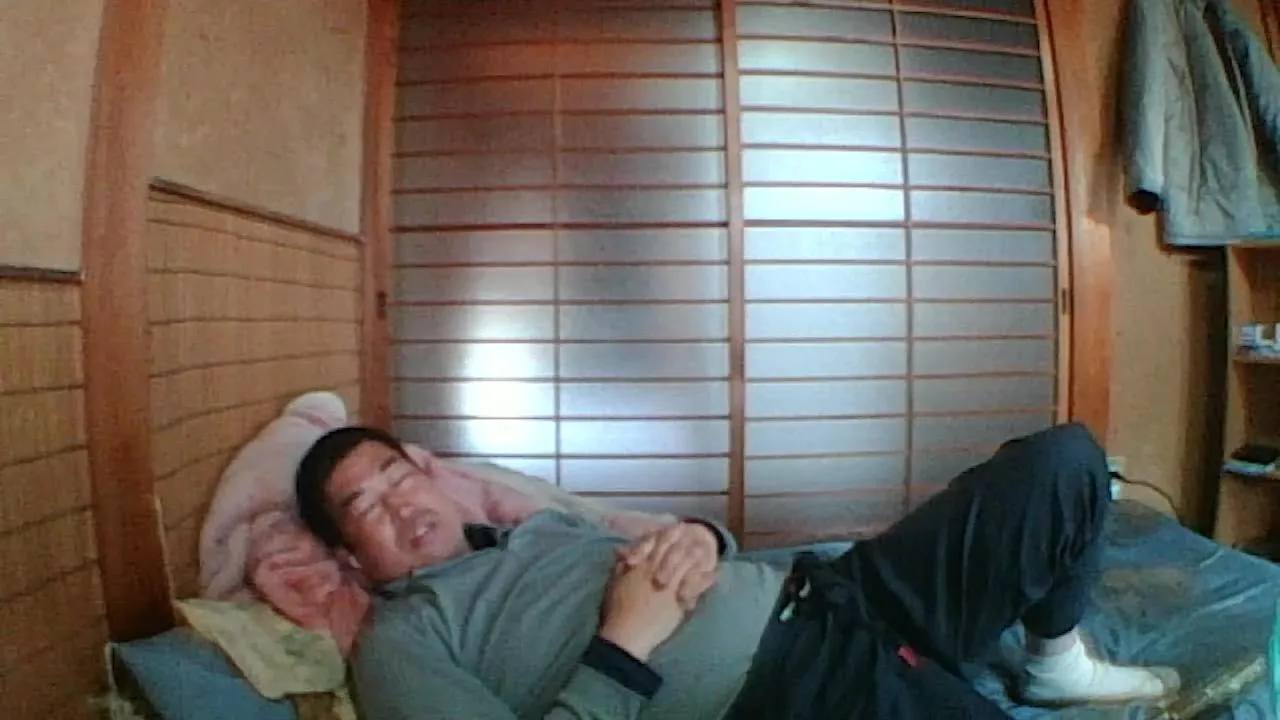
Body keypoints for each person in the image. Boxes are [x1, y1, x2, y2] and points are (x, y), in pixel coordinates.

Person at [295, 422, 1181, 719]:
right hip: (793, 691)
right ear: (347, 556)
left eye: (398, 476)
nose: (399, 505)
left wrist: (702, 537)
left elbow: (686, 542)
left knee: (1065, 464)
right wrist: (623, 645)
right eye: (364, 506)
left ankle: (1054, 663)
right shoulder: (400, 638)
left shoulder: (536, 527)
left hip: (839, 589)